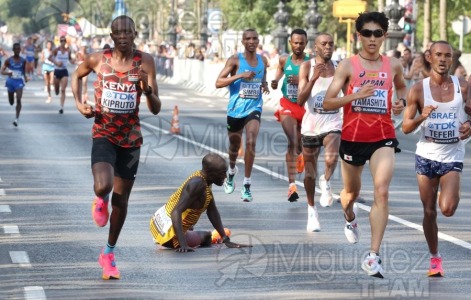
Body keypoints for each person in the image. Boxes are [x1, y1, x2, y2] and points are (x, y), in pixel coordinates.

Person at [71, 15, 162, 280]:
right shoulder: (98, 59)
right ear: (111, 36)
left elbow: (156, 109)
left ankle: (108, 254)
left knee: (122, 201)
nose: (123, 37)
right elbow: (77, 76)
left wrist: (146, 89)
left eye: (127, 33)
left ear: (135, 33)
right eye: (117, 33)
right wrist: (79, 104)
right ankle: (100, 199)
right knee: (103, 186)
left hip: (131, 141)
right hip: (104, 134)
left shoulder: (145, 62)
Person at [323, 11, 407, 278]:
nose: (372, 38)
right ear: (359, 35)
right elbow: (327, 101)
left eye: (378, 33)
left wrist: (401, 103)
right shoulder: (348, 66)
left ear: (384, 36)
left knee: (381, 192)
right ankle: (349, 216)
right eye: (367, 33)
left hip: (382, 136)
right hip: (353, 138)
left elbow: (403, 88)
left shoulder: (393, 65)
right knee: (350, 195)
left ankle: (373, 256)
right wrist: (355, 96)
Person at [402, 41, 470, 277]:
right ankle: (434, 259)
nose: (443, 60)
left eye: (447, 56)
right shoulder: (418, 90)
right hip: (427, 155)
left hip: (452, 154)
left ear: (452, 59)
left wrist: (469, 124)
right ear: (429, 57)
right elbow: (406, 128)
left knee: (448, 209)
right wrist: (422, 116)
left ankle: (446, 188)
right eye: (438, 55)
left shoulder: (463, 86)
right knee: (429, 211)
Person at [150, 153, 251, 252]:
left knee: (192, 226)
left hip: (159, 226)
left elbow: (212, 211)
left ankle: (188, 233)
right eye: (221, 173)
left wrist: (225, 239)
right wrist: (183, 244)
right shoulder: (198, 184)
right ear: (210, 172)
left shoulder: (203, 179)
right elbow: (176, 211)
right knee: (207, 236)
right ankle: (202, 237)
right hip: (170, 236)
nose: (225, 177)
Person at [215, 29, 270, 202]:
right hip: (235, 109)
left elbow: (262, 76)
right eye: (248, 39)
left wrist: (265, 84)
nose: (252, 41)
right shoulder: (235, 60)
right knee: (234, 146)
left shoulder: (264, 60)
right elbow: (218, 82)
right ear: (243, 41)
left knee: (251, 140)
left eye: (255, 38)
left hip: (254, 107)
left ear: (258, 40)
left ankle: (247, 185)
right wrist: (240, 75)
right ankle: (231, 172)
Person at [297, 33, 342, 232]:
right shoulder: (306, 67)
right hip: (311, 125)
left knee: (332, 158)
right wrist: (313, 78)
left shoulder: (340, 67)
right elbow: (300, 99)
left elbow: (348, 92)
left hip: (333, 122)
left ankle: (327, 180)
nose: (328, 47)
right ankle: (311, 210)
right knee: (309, 173)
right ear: (315, 47)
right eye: (323, 44)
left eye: (331, 43)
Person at [270, 29, 310, 202]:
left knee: (297, 142)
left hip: (306, 106)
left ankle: (300, 154)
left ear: (306, 43)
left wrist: (302, 81)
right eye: (295, 42)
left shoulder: (311, 62)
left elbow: (320, 80)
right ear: (290, 43)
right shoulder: (284, 59)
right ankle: (291, 185)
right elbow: (280, 68)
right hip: (288, 104)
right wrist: (276, 80)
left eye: (301, 43)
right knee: (293, 139)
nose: (298, 46)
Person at [1, 43, 28, 127]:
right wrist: (8, 73)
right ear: (13, 50)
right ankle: (11, 96)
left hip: (19, 82)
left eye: (18, 49)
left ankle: (16, 119)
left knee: (19, 99)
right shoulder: (8, 60)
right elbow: (1, 71)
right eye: (15, 49)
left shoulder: (23, 61)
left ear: (20, 50)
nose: (17, 50)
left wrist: (26, 78)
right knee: (11, 102)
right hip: (10, 82)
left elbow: (24, 71)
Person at [49, 36, 74, 114]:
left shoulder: (68, 50)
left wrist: (73, 60)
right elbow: (49, 57)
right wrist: (56, 62)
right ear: (60, 42)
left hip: (64, 71)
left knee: (63, 90)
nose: (63, 42)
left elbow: (70, 59)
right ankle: (56, 91)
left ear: (65, 42)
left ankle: (61, 107)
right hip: (57, 71)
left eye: (64, 41)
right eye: (61, 40)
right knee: (57, 90)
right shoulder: (56, 50)